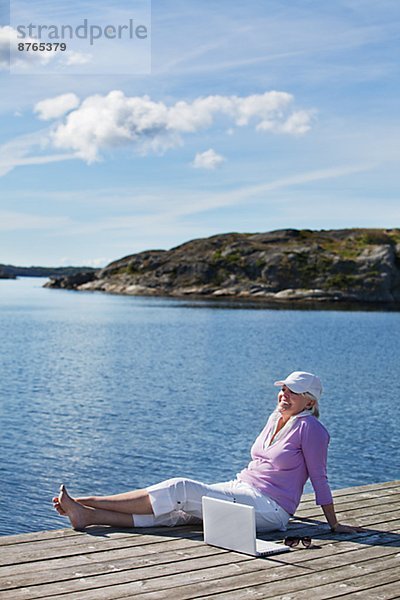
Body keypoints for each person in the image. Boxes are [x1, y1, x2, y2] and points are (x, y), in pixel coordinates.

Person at [53, 371, 363, 534]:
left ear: (309, 401)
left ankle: (86, 501)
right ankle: (87, 516)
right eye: (284, 388)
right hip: (242, 488)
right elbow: (260, 464)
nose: (285, 394)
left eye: (293, 391)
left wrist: (334, 524)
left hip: (270, 509)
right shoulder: (275, 417)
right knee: (177, 514)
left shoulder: (312, 430)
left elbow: (319, 479)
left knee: (180, 488)